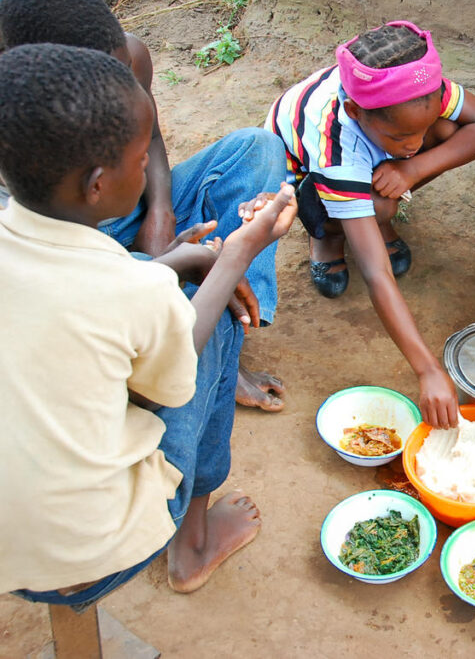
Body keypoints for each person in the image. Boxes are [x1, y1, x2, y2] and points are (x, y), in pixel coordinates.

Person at [0, 44, 298, 602]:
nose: (149, 166)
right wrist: (235, 257)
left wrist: (174, 261)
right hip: (82, 561)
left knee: (172, 288)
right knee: (219, 318)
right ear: (96, 185)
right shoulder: (130, 287)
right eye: (141, 162)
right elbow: (166, 382)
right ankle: (192, 546)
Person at [0, 0, 289, 412]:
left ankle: (226, 345)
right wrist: (153, 269)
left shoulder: (129, 52)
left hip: (123, 198)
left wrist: (160, 213)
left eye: (121, 70)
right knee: (143, 280)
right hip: (76, 250)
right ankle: (195, 352)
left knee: (257, 148)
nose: (119, 78)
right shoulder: (13, 114)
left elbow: (147, 136)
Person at [265, 20, 475, 428]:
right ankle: (325, 234)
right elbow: (376, 274)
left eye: (420, 129)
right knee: (375, 213)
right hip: (308, 175)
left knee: (447, 132)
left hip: (364, 153)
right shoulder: (335, 145)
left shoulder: (415, 89)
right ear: (357, 111)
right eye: (401, 138)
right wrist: (428, 369)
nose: (414, 143)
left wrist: (412, 168)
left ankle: (370, 214)